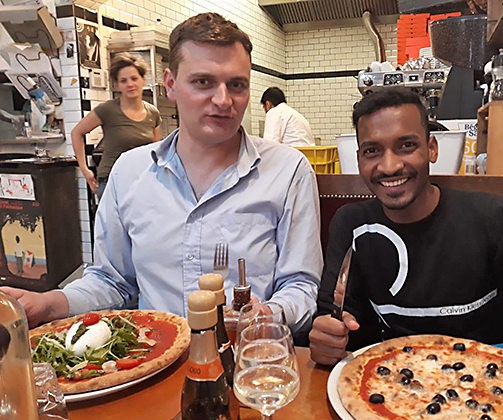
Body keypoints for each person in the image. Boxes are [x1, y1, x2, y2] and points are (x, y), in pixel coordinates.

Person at [1, 13, 322, 341]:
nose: (223, 100)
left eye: (236, 85)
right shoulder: (130, 172)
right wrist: (48, 303)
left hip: (249, 359)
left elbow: (301, 285)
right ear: (170, 85)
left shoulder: (287, 170)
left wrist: (267, 314)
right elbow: (113, 282)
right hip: (155, 358)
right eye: (203, 82)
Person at [308, 88, 503, 388]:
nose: (390, 166)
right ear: (358, 159)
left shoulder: (493, 216)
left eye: (406, 146)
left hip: (489, 384)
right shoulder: (350, 223)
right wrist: (327, 338)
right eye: (372, 151)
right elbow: (334, 316)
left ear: (432, 149)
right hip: (392, 384)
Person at [72, 52, 162, 199]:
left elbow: (156, 150)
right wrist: (85, 169)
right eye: (123, 81)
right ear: (117, 85)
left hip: (143, 180)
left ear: (143, 80)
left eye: (134, 78)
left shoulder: (153, 113)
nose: (130, 84)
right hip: (112, 180)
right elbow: (77, 132)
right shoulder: (108, 110)